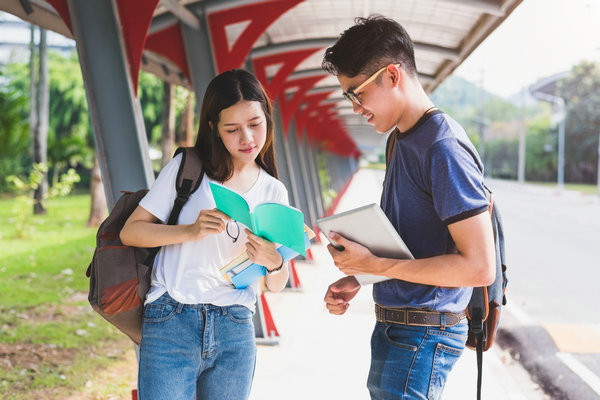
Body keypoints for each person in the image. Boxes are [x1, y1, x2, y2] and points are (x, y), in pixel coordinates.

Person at [321, 16, 496, 400]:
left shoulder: (442, 147)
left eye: (357, 93)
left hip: (424, 334)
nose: (354, 108)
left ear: (392, 76)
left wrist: (377, 267)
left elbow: (480, 267)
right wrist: (361, 276)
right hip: (400, 329)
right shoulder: (399, 140)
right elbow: (414, 245)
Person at [120, 69, 290, 400]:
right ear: (213, 127)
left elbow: (277, 283)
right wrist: (190, 230)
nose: (247, 138)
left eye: (255, 124)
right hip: (171, 317)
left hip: (235, 323)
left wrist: (273, 261)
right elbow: (131, 232)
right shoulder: (189, 169)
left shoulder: (274, 191)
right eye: (233, 129)